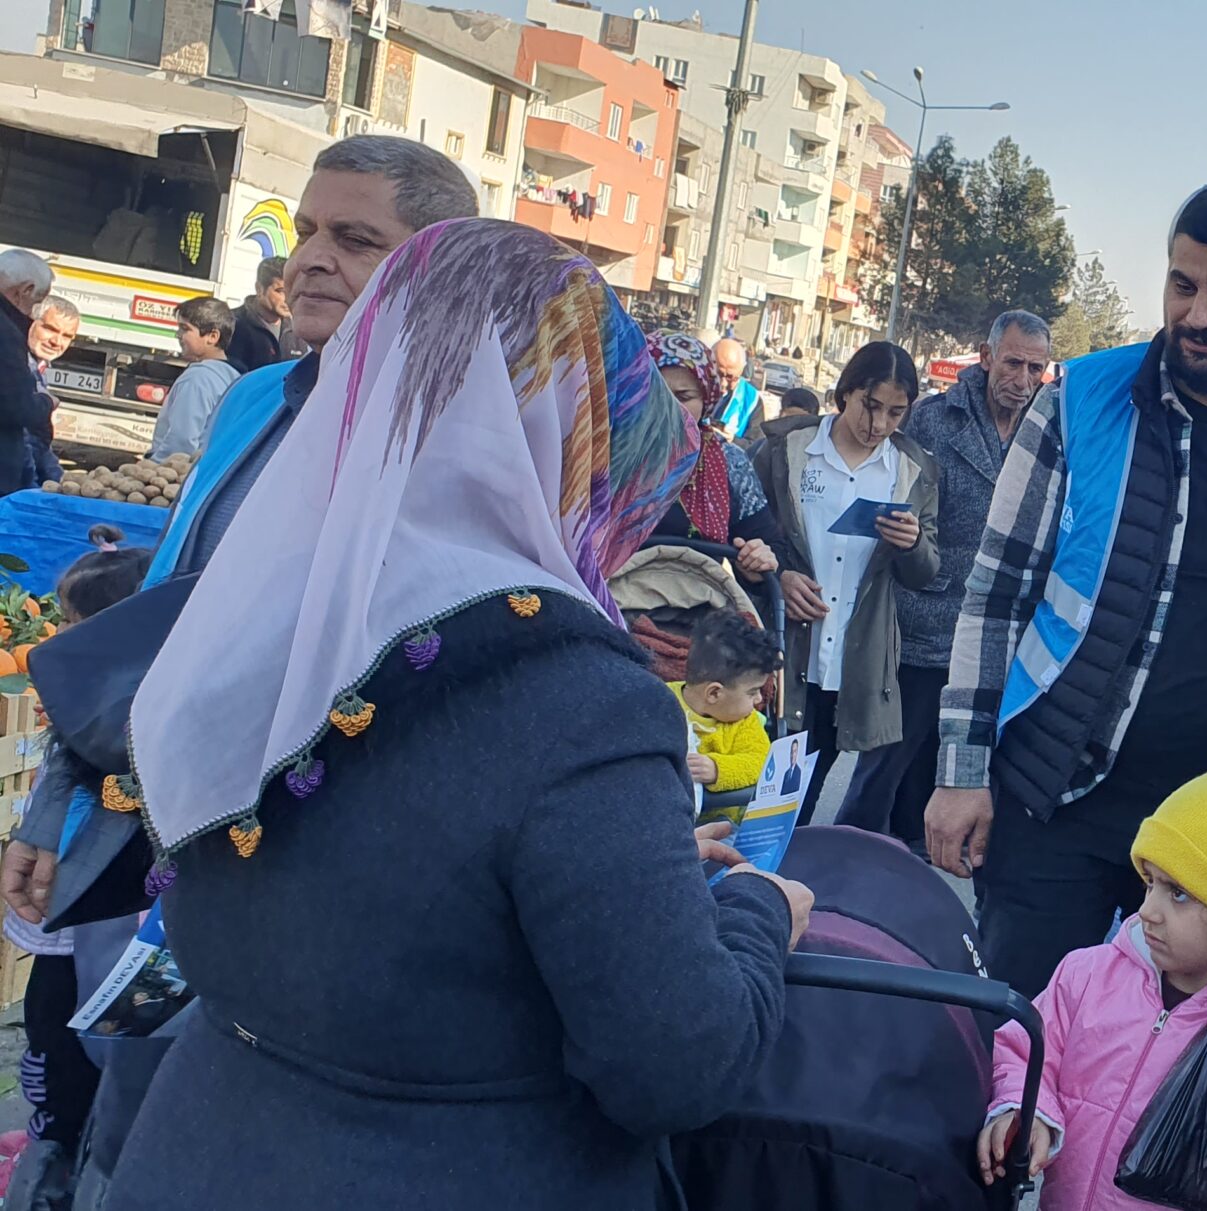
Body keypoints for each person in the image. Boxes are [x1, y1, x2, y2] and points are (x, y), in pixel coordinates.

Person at [104, 218, 813, 1211]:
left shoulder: (263, 608)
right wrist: (754, 916)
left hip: (200, 1147)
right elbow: (677, 1064)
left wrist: (625, 874)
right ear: (577, 430)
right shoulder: (580, 697)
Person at [0, 133, 482, 1208]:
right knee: (104, 1100)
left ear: (432, 266)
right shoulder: (254, 403)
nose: (311, 256)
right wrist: (56, 806)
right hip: (160, 836)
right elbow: (160, 624)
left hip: (317, 884)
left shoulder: (460, 443)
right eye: (308, 228)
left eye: (355, 239)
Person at [925, 182, 1207, 997]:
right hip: (1059, 801)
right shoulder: (1080, 400)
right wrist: (961, 770)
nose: (1199, 314)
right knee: (1016, 1048)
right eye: (1183, 285)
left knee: (1173, 1085)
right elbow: (995, 594)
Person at [978, 750, 1207, 1206]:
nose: (1147, 911)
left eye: (1178, 894)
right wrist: (1026, 1109)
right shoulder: (1088, 974)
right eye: (1150, 882)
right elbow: (1022, 1050)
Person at [841, 310, 1051, 843]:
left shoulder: (1047, 430)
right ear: (984, 357)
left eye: (1035, 368)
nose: (1022, 380)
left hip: (992, 637)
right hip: (921, 626)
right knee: (882, 770)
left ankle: (905, 886)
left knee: (936, 782)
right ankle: (840, 865)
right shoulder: (931, 420)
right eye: (1012, 363)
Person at [0, 526, 150, 1207]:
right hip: (64, 930)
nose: (61, 639)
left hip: (116, 932)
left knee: (100, 1049)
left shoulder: (130, 728)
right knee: (52, 1032)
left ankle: (79, 1146)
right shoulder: (74, 725)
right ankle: (57, 1141)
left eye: (75, 624)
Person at [751, 341, 937, 821]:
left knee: (801, 800)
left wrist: (912, 542)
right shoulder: (785, 450)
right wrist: (780, 576)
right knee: (754, 789)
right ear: (845, 392)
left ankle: (773, 886)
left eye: (895, 413)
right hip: (779, 650)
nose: (878, 425)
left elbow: (925, 572)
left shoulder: (913, 470)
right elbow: (742, 532)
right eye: (870, 406)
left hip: (847, 662)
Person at [643, 330, 782, 577]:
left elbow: (767, 544)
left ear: (707, 400)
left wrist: (757, 559)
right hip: (610, 604)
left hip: (698, 605)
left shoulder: (730, 462)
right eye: (658, 392)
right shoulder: (608, 453)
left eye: (684, 397)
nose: (670, 406)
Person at [675, 610, 781, 795]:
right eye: (752, 692)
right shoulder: (662, 705)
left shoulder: (746, 722)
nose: (759, 699)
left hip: (722, 818)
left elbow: (762, 761)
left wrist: (718, 769)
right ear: (714, 693)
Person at [148, 297, 240, 461]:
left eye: (185, 329)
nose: (178, 335)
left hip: (179, 472)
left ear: (212, 336)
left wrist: (154, 466)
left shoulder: (197, 379)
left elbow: (182, 442)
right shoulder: (233, 376)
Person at [0, 250, 53, 495]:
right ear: (26, 290)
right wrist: (45, 402)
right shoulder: (7, 332)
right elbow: (15, 406)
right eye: (38, 301)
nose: (34, 311)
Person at [23, 296, 78, 487]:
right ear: (31, 322)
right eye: (50, 329)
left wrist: (59, 480)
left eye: (66, 336)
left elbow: (39, 442)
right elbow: (24, 438)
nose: (56, 341)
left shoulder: (38, 366)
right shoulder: (14, 362)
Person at [224, 256, 304, 373]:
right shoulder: (232, 324)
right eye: (281, 291)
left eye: (293, 290)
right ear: (259, 289)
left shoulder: (299, 330)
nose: (289, 298)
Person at [711, 336, 761, 435]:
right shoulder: (691, 387)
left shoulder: (751, 399)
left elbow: (755, 444)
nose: (723, 384)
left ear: (741, 370)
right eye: (718, 374)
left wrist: (732, 440)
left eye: (731, 377)